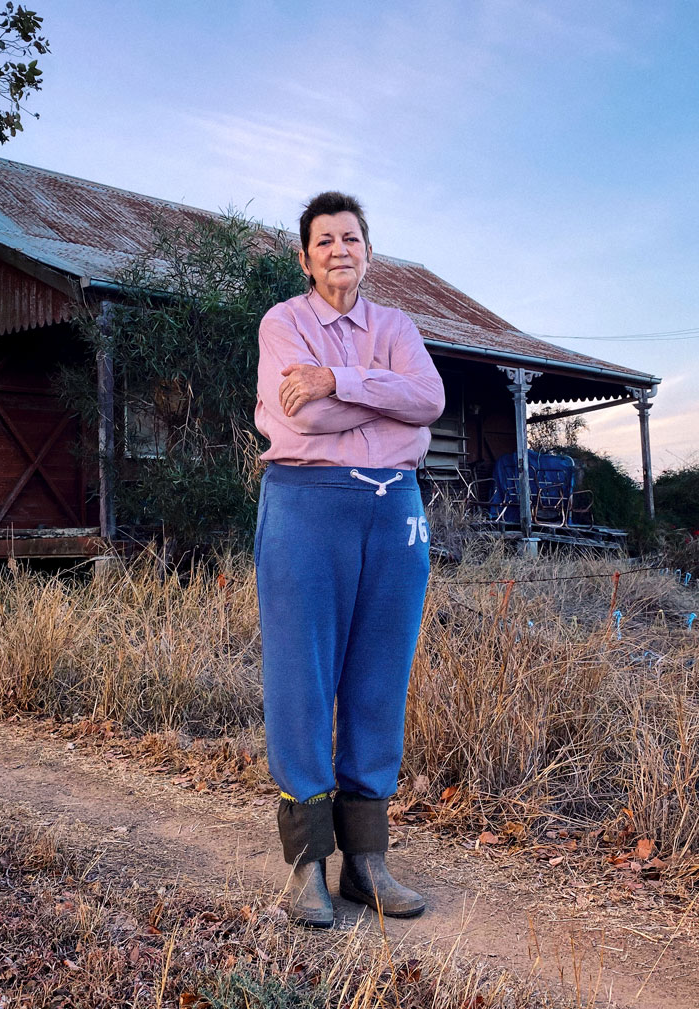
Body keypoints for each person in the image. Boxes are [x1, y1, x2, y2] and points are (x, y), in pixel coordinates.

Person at [253, 191, 445, 928]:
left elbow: (427, 399)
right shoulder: (285, 322)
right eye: (325, 240)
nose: (340, 249)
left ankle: (367, 863)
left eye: (352, 238)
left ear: (370, 251)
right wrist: (381, 402)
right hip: (306, 502)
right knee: (302, 675)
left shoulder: (396, 325)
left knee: (379, 674)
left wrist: (339, 380)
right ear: (305, 257)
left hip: (394, 507)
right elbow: (302, 414)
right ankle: (308, 865)